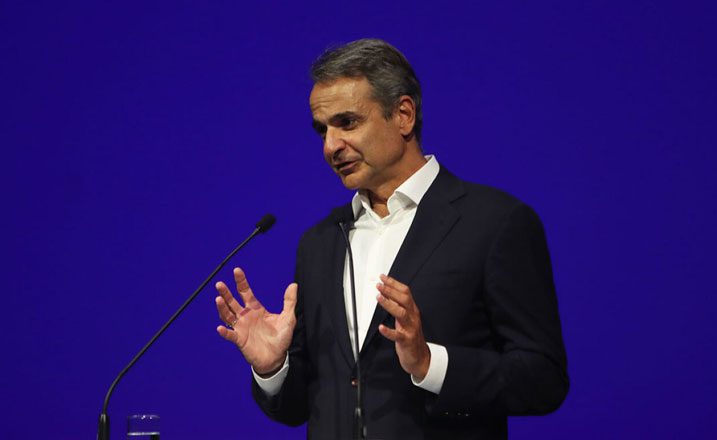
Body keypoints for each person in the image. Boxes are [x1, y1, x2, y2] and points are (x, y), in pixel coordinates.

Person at [214, 38, 568, 439]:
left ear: (403, 115)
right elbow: (301, 406)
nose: (331, 146)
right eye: (322, 129)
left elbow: (543, 379)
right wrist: (273, 368)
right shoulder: (321, 242)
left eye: (348, 123)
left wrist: (430, 364)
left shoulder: (494, 222)